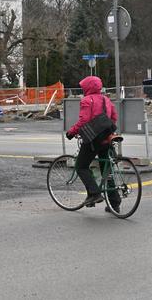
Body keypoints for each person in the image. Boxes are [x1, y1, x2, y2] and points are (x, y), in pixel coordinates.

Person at [65, 76, 121, 212]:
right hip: (106, 138)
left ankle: (95, 194)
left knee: (81, 166)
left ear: (87, 87)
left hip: (93, 139)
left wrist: (71, 132)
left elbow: (83, 121)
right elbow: (114, 117)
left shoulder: (87, 100)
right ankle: (115, 204)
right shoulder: (106, 99)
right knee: (106, 170)